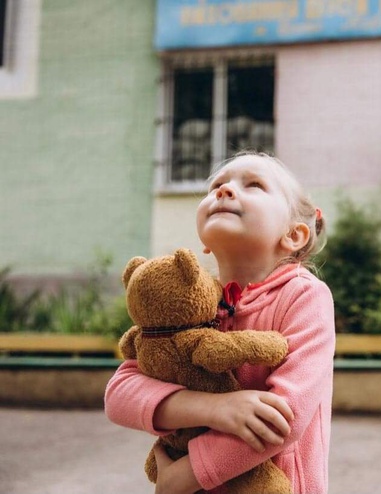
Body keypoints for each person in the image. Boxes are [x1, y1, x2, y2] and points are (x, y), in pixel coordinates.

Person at [105, 151, 335, 494]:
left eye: (254, 185)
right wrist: (215, 408)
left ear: (294, 235)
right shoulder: (188, 303)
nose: (224, 191)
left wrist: (186, 475)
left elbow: (285, 418)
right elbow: (119, 394)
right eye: (217, 185)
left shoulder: (305, 297)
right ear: (205, 244)